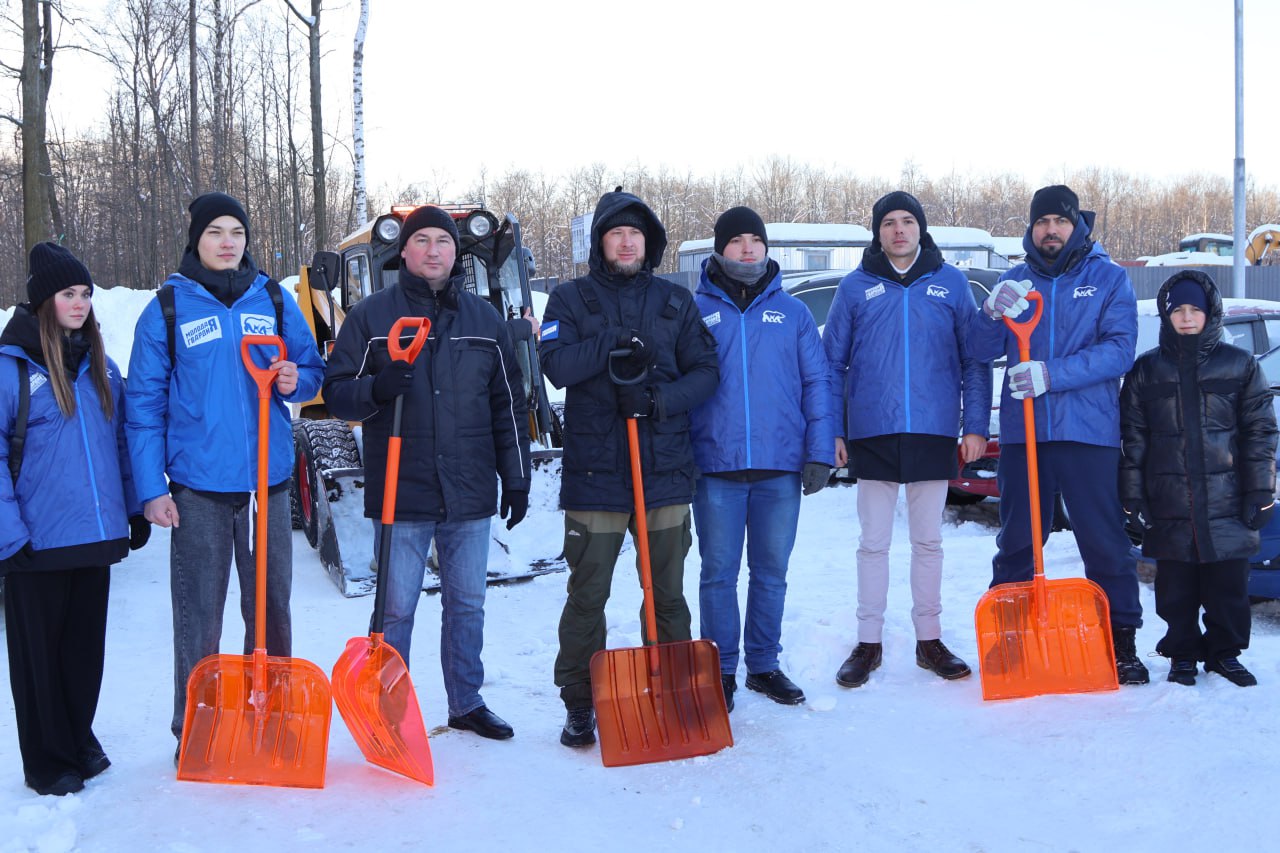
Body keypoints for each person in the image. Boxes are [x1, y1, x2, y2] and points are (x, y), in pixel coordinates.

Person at [124, 192, 325, 755]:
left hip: (269, 481)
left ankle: (276, 716)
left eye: (236, 231)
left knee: (271, 609)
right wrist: (150, 489)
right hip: (200, 489)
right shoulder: (168, 308)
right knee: (199, 617)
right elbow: (142, 405)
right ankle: (198, 728)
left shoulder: (276, 301)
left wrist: (295, 380)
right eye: (215, 231)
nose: (227, 241)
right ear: (196, 239)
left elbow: (311, 369)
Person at [323, 205, 530, 740]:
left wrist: (519, 474)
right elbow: (337, 392)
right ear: (405, 251)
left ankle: (465, 701)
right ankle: (389, 711)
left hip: (469, 488)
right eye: (423, 241)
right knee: (395, 611)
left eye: (443, 240)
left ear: (456, 250)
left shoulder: (484, 319)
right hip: (402, 489)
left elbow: (506, 404)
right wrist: (375, 388)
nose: (434, 249)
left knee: (468, 604)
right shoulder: (371, 317)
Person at [541, 188, 719, 747]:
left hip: (663, 472)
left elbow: (706, 371)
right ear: (600, 241)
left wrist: (657, 401)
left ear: (649, 243)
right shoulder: (569, 300)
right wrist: (611, 344)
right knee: (588, 593)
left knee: (666, 592)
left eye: (635, 234)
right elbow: (556, 366)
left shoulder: (675, 301)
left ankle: (672, 692)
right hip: (595, 475)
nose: (625, 241)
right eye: (615, 233)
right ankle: (579, 700)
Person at [973, 184, 1148, 684]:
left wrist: (1052, 374)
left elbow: (1118, 350)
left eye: (1060, 221)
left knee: (1103, 538)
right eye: (1042, 221)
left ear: (1077, 226)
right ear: (1031, 228)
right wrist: (989, 314)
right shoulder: (1013, 280)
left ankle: (1121, 641)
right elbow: (980, 349)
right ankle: (1008, 638)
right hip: (1022, 433)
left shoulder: (1108, 279)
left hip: (1086, 430)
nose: (1051, 230)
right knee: (1017, 541)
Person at [823, 191, 991, 688]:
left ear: (920, 229)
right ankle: (868, 642)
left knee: (928, 542)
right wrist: (833, 428)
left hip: (933, 429)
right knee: (873, 544)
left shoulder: (952, 284)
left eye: (907, 222)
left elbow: (974, 359)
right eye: (889, 223)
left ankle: (929, 640)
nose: (899, 230)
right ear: (878, 232)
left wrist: (975, 425)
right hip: (873, 430)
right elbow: (831, 363)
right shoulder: (856, 287)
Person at [1, 243, 146, 796]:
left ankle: (77, 738)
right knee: (39, 659)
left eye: (85, 293)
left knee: (84, 653)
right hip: (35, 544)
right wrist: (9, 536)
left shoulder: (101, 366)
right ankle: (47, 759)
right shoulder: (10, 370)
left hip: (94, 538)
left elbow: (121, 445)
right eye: (69, 294)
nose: (81, 302)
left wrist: (131, 512)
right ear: (43, 302)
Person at [689, 206, 835, 712]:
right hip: (716, 468)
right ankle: (721, 669)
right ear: (719, 248)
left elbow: (817, 383)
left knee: (771, 572)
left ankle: (764, 665)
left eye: (755, 239)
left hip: (779, 467)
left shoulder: (792, 314)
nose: (747, 248)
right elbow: (681, 386)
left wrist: (819, 450)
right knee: (718, 573)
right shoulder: (695, 309)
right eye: (736, 240)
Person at [1120, 270, 1277, 686]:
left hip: (1227, 498)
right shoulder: (1145, 371)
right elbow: (1132, 441)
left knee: (1228, 587)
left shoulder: (1239, 365)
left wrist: (1261, 488)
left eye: (1195, 310)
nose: (1187, 318)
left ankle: (1225, 653)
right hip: (1169, 499)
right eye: (1179, 310)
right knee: (1176, 590)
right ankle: (1182, 654)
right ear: (1167, 315)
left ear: (1210, 313)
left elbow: (1261, 432)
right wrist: (1132, 497)